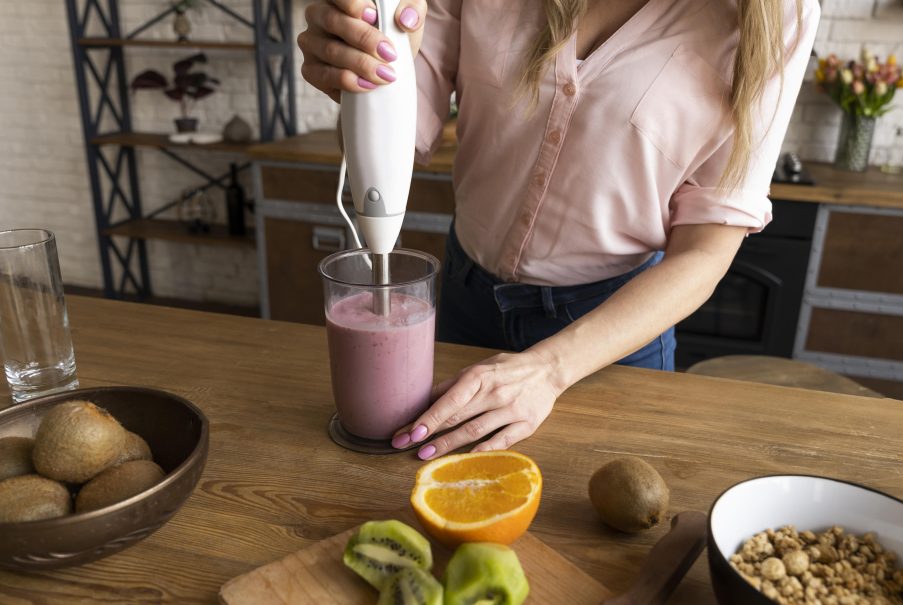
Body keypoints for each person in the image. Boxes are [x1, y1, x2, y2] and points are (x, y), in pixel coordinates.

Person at [298, 0, 820, 460]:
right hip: (462, 299)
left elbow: (705, 252)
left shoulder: (778, 17)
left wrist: (549, 370)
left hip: (610, 337)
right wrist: (367, 62)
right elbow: (400, 134)